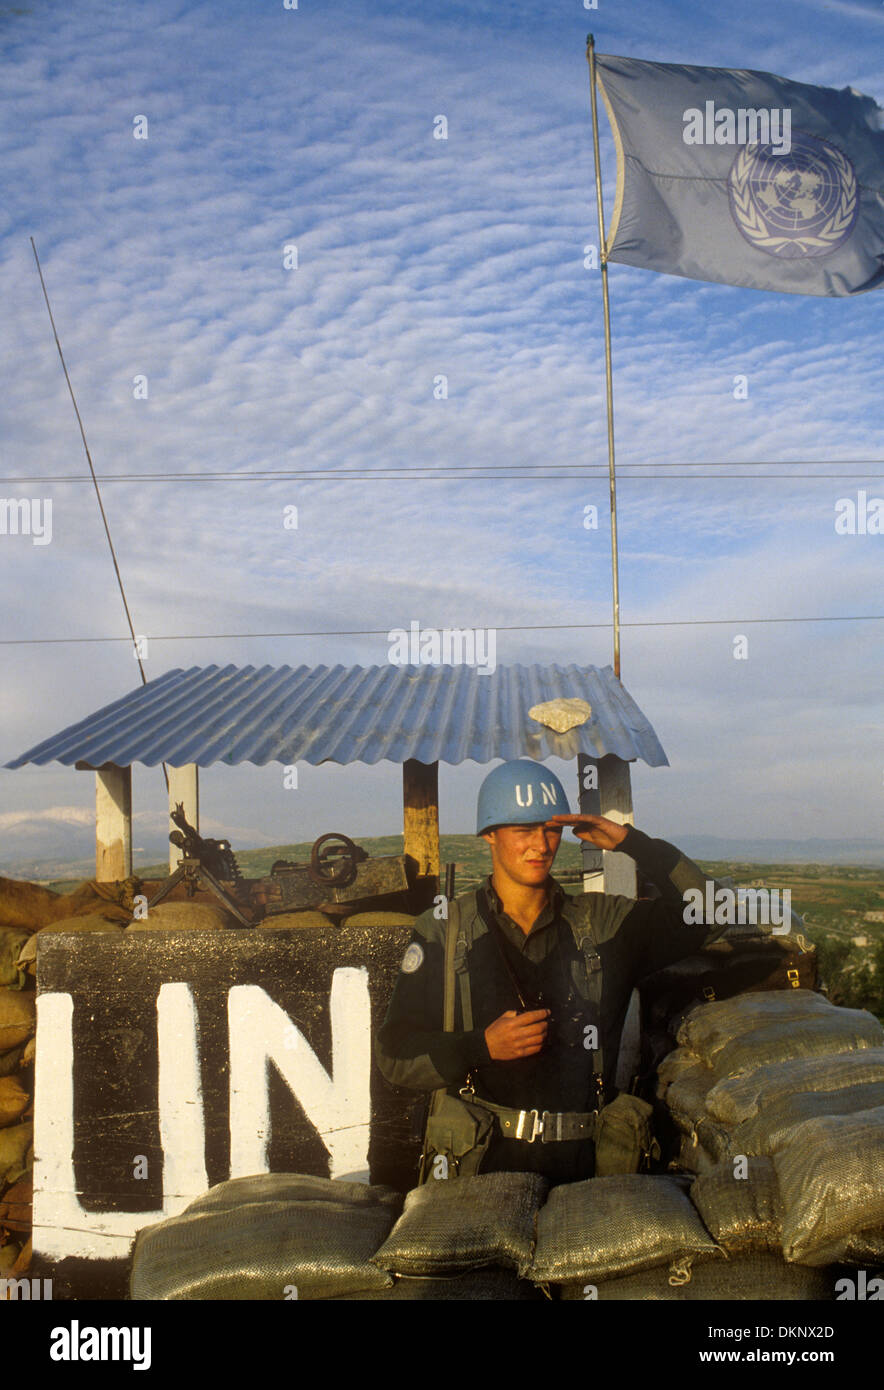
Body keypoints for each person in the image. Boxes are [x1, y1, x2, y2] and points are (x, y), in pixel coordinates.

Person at [375, 758, 733, 1184]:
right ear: (489, 835)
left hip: (587, 1170)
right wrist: (480, 1046)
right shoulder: (445, 930)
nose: (541, 846)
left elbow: (713, 911)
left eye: (550, 830)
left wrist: (633, 844)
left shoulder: (603, 923)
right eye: (523, 830)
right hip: (479, 1167)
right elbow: (395, 1056)